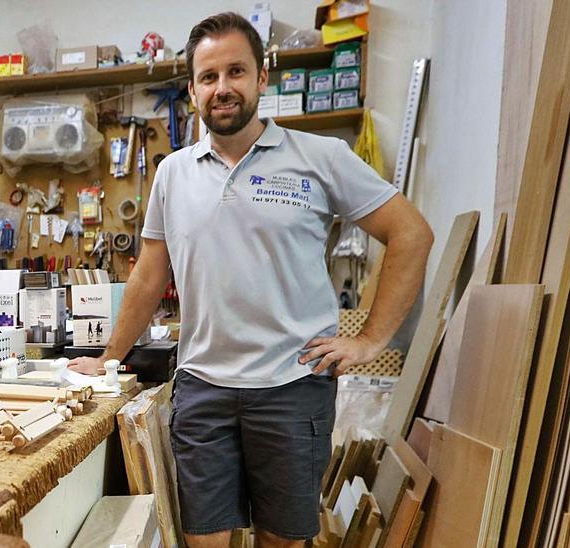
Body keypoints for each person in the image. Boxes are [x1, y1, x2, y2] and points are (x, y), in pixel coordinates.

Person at [68, 13, 433, 547]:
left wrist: (369, 339)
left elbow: (410, 233)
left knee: (281, 541)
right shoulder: (172, 173)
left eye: (235, 71)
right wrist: (108, 359)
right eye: (208, 77)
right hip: (202, 390)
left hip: (293, 388)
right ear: (192, 90)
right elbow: (150, 274)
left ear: (262, 77)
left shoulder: (321, 157)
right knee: (205, 541)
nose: (223, 88)